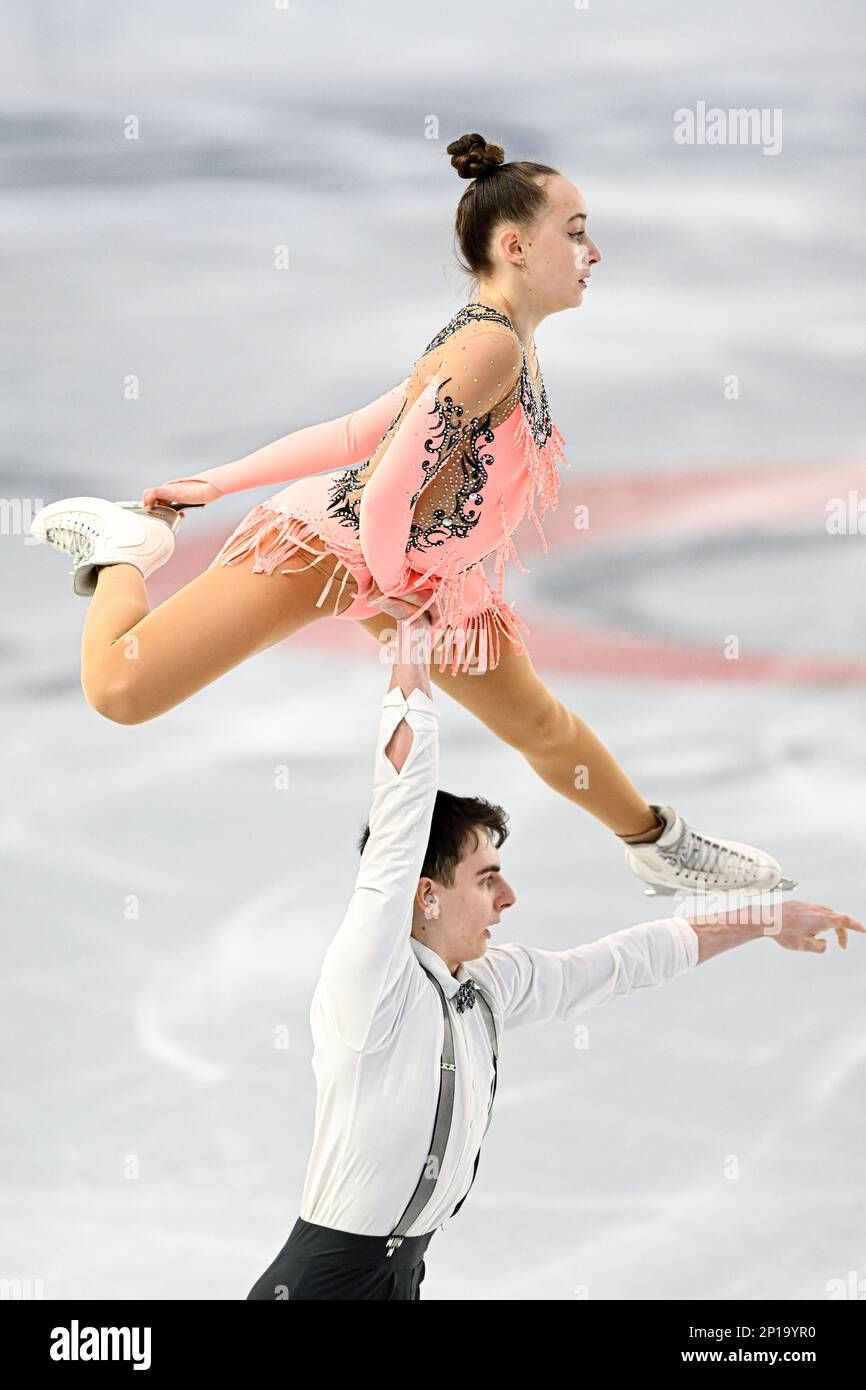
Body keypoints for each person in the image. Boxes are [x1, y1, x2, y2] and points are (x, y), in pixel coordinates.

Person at [29, 130, 795, 897]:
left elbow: (360, 430)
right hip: (332, 550)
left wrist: (217, 482)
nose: (593, 252)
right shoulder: (487, 346)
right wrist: (398, 604)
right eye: (575, 231)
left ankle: (660, 845)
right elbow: (389, 487)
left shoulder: (500, 340)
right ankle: (123, 549)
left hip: (429, 573)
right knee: (120, 691)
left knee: (538, 723)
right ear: (514, 246)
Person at [244, 599, 861, 1300]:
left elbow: (627, 960)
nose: (509, 898)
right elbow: (400, 810)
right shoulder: (371, 976)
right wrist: (409, 648)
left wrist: (764, 916)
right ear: (426, 895)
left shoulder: (487, 983)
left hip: (401, 1277)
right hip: (323, 1285)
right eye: (486, 879)